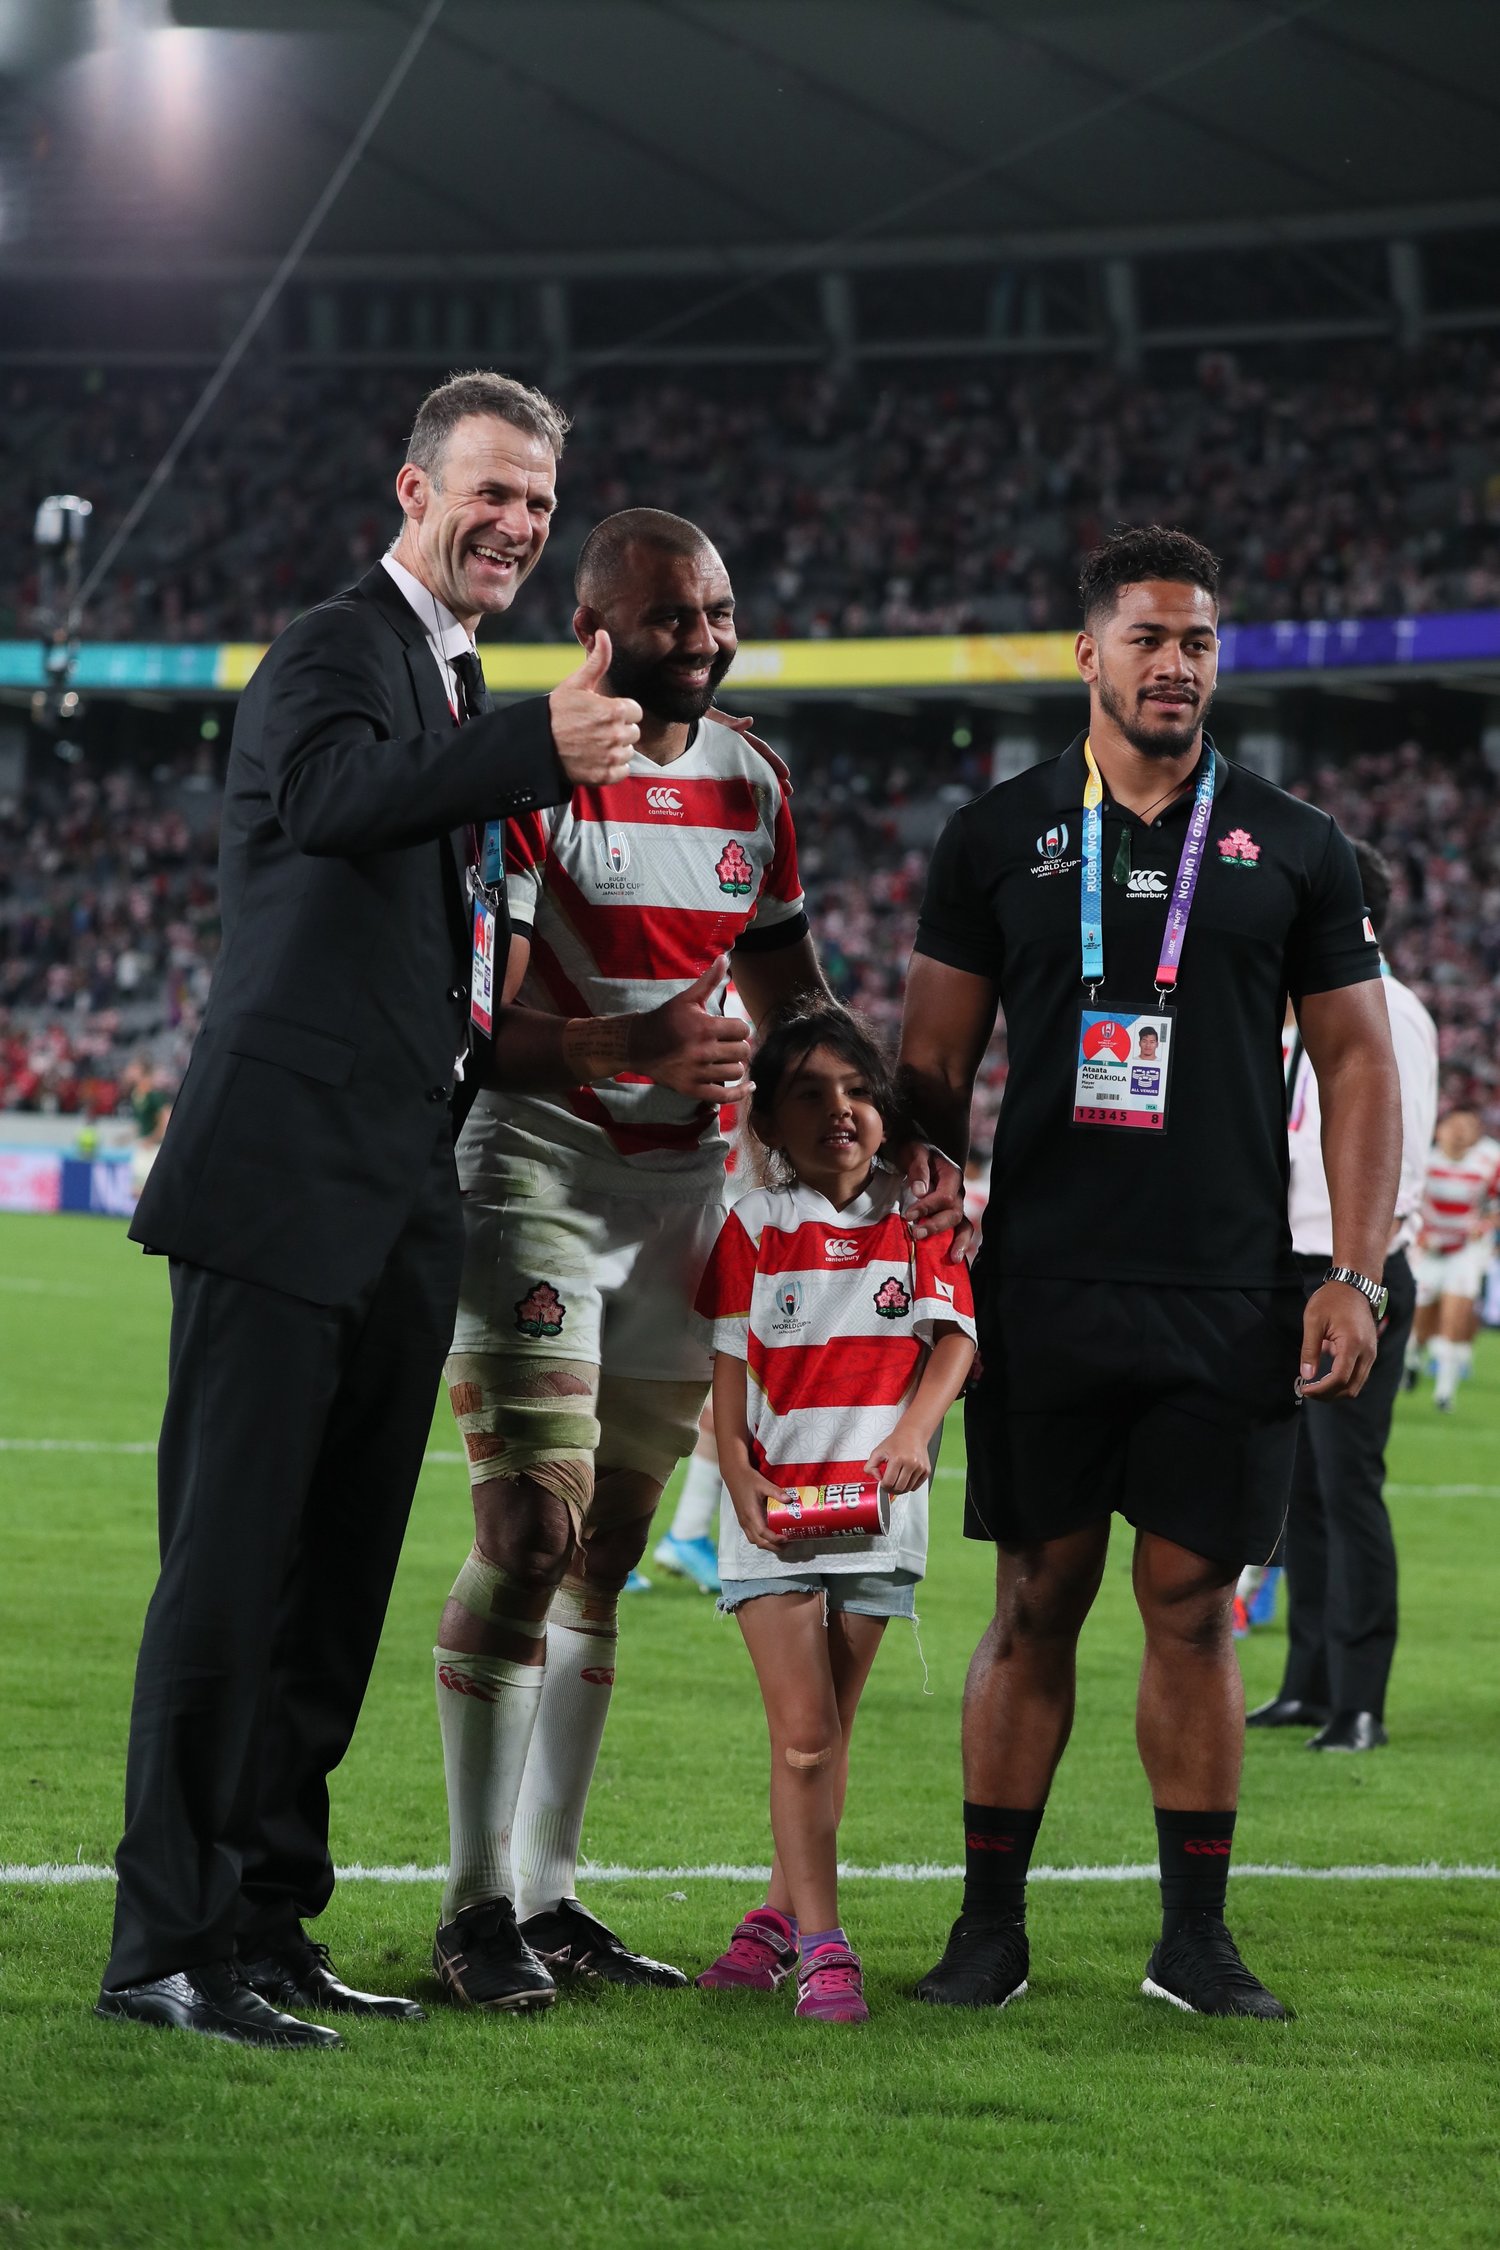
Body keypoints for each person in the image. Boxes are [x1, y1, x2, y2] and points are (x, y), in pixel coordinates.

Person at [97, 370, 646, 2051]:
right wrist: (525, 747)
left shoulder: (454, 680)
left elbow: (446, 955)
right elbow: (334, 804)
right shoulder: (338, 646)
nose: (515, 525)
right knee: (228, 1572)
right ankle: (160, 1948)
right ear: (413, 490)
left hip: (407, 1179)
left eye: (539, 506)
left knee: (331, 1585)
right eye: (490, 491)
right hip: (282, 1175)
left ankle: (266, 1925)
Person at [898, 524, 1400, 2021]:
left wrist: (1353, 1271)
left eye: (1199, 642)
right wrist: (923, 1228)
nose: (1177, 665)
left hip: (1230, 1290)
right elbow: (932, 1065)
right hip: (1043, 1283)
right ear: (1088, 652)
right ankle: (991, 1929)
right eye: (1150, 638)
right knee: (1035, 1596)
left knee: (1192, 1607)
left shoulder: (1297, 843)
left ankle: (1195, 1938)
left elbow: (1360, 1064)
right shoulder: (996, 835)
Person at [428, 510, 827, 2010]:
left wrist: (859, 1105)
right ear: (598, 626)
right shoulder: (539, 776)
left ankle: (551, 1895)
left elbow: (790, 980)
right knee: (529, 1528)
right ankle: (472, 1907)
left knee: (606, 1555)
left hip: (684, 1193)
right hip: (536, 1162)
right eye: (675, 618)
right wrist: (630, 1037)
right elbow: (479, 1021)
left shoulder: (754, 777)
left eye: (720, 611)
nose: (707, 640)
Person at [693, 1004, 975, 2022]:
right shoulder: (751, 1229)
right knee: (805, 1739)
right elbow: (728, 1395)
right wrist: (739, 1482)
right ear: (766, 1122)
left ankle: (775, 1915)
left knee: (826, 1736)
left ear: (887, 1109)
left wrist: (912, 1436)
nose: (839, 1110)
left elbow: (956, 1341)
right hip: (774, 1517)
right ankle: (823, 1944)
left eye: (857, 1089)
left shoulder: (921, 1216)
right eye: (808, 1094)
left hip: (878, 1518)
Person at [1248, 843, 1438, 1750]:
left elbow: (1389, 1154)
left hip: (1350, 1271)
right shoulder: (1318, 1013)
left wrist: (1356, 1276)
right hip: (1305, 1268)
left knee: (1348, 1485)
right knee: (1305, 1489)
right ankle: (1310, 1681)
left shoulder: (1386, 1011)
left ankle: (1362, 1692)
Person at [1405, 1107, 1500, 1410]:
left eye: (1468, 1126)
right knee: (1420, 1323)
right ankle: (1413, 1356)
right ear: (1439, 1131)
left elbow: (1495, 1208)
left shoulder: (1487, 1167)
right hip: (1429, 1253)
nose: (1460, 1132)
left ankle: (1444, 1394)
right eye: (1454, 1125)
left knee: (1454, 1318)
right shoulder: (1424, 1165)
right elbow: (1407, 1205)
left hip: (1464, 1254)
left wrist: (1483, 1226)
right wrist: (1421, 1234)